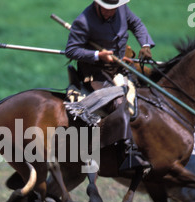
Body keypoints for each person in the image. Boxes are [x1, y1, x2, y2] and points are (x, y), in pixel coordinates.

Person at [65, 0, 155, 172]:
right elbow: (71, 50)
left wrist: (145, 44)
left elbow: (136, 24)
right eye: (106, 9)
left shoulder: (121, 9)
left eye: (112, 9)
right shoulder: (83, 21)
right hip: (96, 74)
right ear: (97, 4)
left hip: (121, 67)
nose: (110, 13)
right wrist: (98, 55)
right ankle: (128, 151)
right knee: (120, 102)